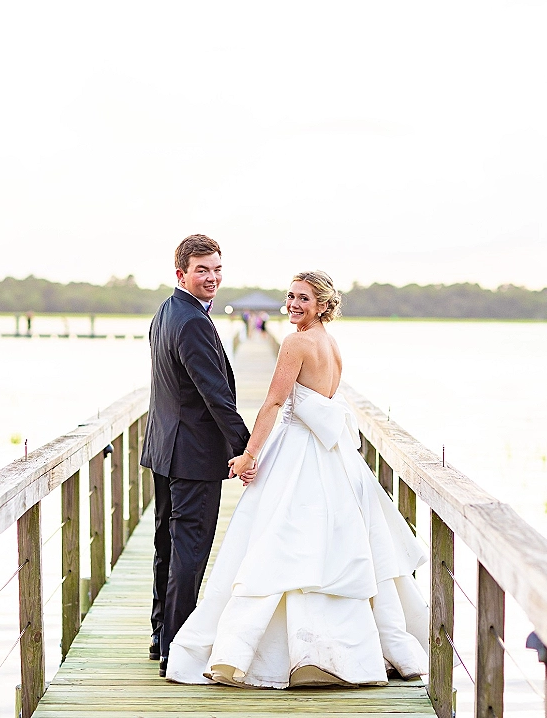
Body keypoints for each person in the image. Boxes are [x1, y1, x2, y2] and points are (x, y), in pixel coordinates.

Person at [166, 270, 429, 688]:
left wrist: (249, 453)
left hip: (298, 452)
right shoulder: (331, 344)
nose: (293, 305)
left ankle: (270, 653)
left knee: (276, 541)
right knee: (328, 544)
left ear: (323, 304)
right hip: (332, 458)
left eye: (303, 299)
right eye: (290, 296)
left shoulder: (296, 342)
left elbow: (273, 400)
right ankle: (340, 652)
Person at [140, 234, 254, 677]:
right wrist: (247, 448)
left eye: (217, 269)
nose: (212, 277)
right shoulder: (191, 322)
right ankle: (177, 647)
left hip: (166, 449)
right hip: (192, 456)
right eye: (202, 269)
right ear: (180, 273)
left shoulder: (166, 313)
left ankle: (160, 636)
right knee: (188, 550)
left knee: (167, 546)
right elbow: (216, 396)